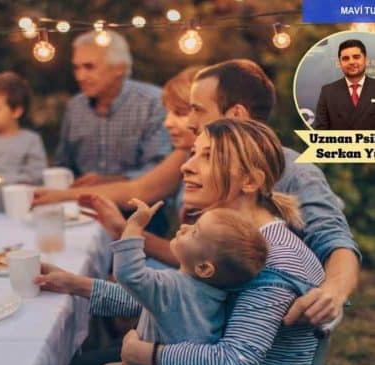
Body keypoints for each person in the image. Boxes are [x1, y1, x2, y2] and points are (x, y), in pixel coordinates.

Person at [35, 59, 360, 329]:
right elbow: (186, 289)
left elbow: (335, 241)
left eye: (196, 110)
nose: (188, 121)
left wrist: (333, 290)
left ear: (235, 115)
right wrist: (80, 281)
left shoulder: (295, 173)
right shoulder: (206, 167)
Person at [39, 119, 326, 365]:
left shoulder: (272, 260)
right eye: (193, 153)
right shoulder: (229, 243)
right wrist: (76, 285)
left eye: (208, 156)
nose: (186, 166)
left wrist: (144, 354)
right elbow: (175, 300)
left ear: (250, 181)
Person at [90, 204, 268, 365]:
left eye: (194, 232)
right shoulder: (219, 295)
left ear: (203, 268)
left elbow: (128, 274)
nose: (184, 227)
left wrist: (134, 226)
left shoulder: (171, 286)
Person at [55, 30, 171, 187]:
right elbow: (63, 165)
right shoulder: (75, 106)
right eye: (76, 67)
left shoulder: (153, 102)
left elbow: (160, 169)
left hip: (140, 208)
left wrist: (107, 183)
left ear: (119, 69)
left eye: (89, 67)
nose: (80, 76)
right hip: (81, 206)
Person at [313, 39, 375, 130]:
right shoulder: (328, 92)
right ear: (340, 63)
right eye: (346, 58)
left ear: (365, 60)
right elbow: (320, 132)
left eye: (356, 57)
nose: (351, 62)